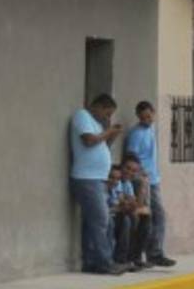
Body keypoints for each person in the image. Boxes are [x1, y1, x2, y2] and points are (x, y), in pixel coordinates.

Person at [70, 93, 127, 275]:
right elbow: (88, 141)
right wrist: (108, 132)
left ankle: (91, 262)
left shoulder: (97, 124)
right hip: (87, 178)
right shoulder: (82, 116)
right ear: (98, 106)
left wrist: (112, 135)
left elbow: (101, 145)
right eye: (107, 113)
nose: (107, 118)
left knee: (95, 222)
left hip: (98, 178)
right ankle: (104, 262)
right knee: (102, 220)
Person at [124, 101, 176, 268]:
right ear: (138, 117)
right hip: (143, 181)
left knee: (152, 217)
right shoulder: (136, 134)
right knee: (155, 216)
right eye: (143, 118)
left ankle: (148, 254)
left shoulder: (151, 129)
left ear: (153, 113)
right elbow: (131, 158)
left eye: (149, 116)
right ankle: (154, 253)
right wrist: (141, 176)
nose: (147, 120)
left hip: (154, 179)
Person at [114, 154, 153, 270]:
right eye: (127, 168)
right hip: (112, 214)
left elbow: (136, 204)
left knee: (146, 217)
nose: (129, 172)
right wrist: (132, 206)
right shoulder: (116, 180)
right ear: (121, 166)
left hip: (122, 212)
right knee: (129, 219)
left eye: (134, 171)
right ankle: (122, 259)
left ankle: (135, 258)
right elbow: (122, 204)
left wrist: (144, 184)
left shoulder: (128, 183)